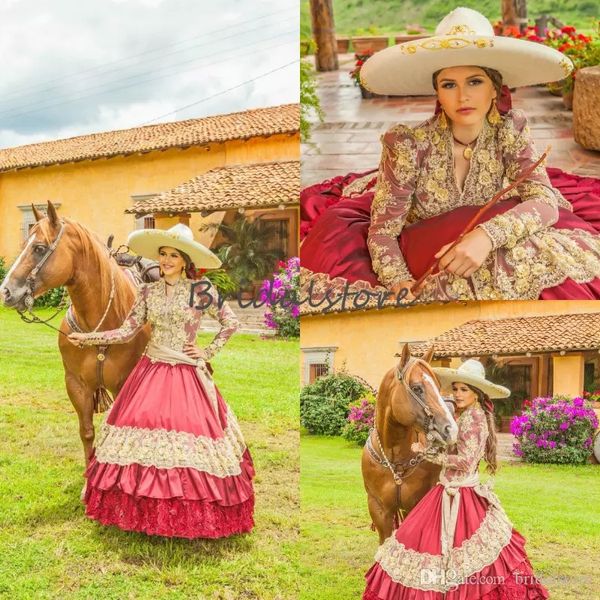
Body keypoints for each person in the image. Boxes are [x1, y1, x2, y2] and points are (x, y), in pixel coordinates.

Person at [301, 7, 600, 303]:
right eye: (449, 85)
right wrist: (398, 281)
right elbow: (382, 233)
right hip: (427, 249)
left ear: (495, 89)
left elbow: (544, 201)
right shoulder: (407, 146)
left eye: (475, 81)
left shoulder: (510, 130)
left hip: (489, 236)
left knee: (546, 259)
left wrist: (487, 236)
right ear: (438, 93)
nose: (462, 96)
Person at [68, 223, 254, 539]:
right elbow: (128, 331)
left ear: (185, 260)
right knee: (142, 427)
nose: (166, 260)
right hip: (151, 369)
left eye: (173, 255)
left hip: (184, 372)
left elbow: (230, 323)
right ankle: (142, 510)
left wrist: (206, 351)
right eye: (163, 254)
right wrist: (88, 338)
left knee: (185, 435)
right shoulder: (147, 291)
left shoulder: (201, 291)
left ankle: (186, 513)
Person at [363, 359, 549, 599]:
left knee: (463, 551)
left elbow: (466, 461)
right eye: (456, 388)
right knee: (426, 543)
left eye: (465, 390)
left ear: (477, 394)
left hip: (462, 494)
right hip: (446, 490)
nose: (458, 394)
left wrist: (428, 453)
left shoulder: (476, 419)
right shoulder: (463, 415)